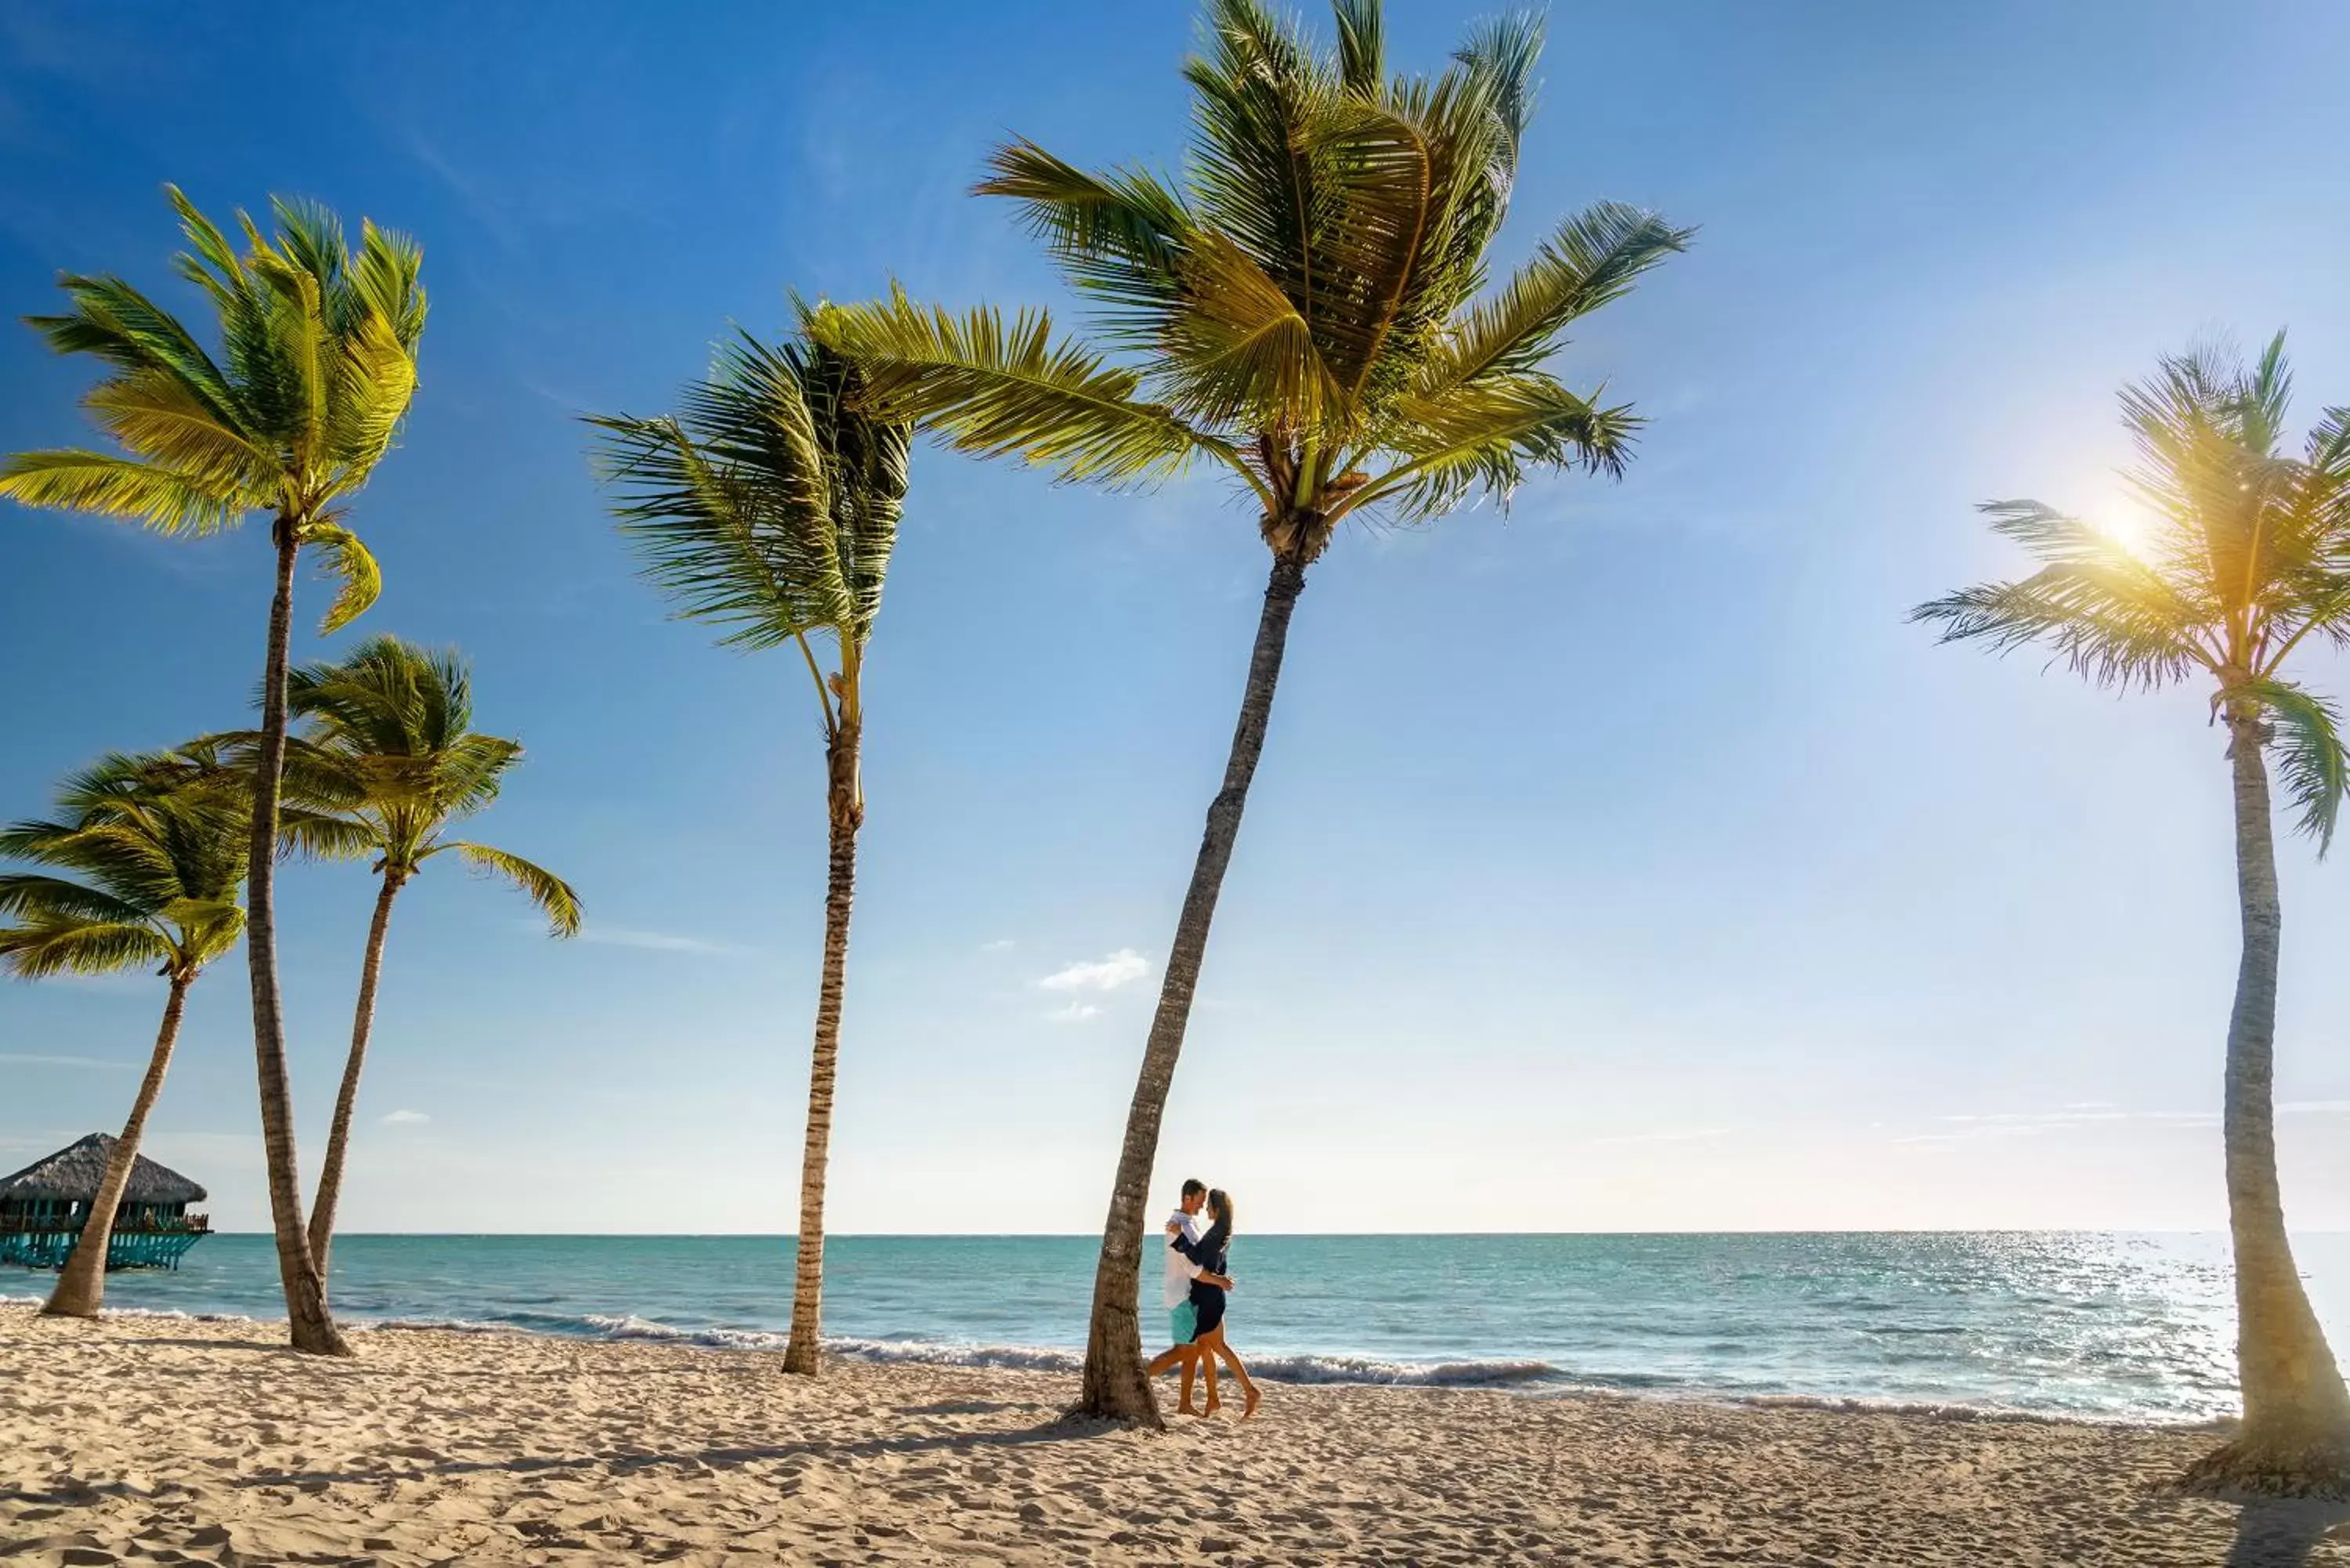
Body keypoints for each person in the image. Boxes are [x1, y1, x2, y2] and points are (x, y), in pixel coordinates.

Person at [1144, 1179, 1231, 1414]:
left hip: (1191, 1296)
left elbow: (1200, 1256)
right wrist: (1219, 1281)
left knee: (1192, 1353)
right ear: (1187, 1198)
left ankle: (1185, 1404)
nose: (1203, 1207)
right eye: (1200, 1202)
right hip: (1180, 1296)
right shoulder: (1175, 1226)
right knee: (1184, 1351)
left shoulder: (1190, 1224)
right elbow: (1192, 1267)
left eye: (1205, 1203)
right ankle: (1140, 1377)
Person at [1173, 1188, 1260, 1418]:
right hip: (1211, 1296)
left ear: (1217, 1209)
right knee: (1206, 1347)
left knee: (1217, 1347)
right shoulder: (1222, 1233)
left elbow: (1196, 1259)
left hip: (1208, 1298)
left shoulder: (1214, 1235)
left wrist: (1179, 1238)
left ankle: (1249, 1391)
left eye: (1209, 1206)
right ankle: (1213, 1399)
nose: (1207, 1209)